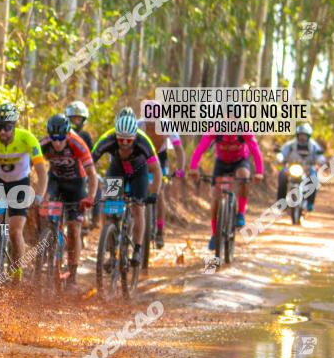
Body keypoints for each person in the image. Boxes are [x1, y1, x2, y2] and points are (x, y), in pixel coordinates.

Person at [0, 102, 48, 280]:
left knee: (15, 231)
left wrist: (39, 195)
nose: (2, 132)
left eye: (7, 127)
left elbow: (42, 172)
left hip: (20, 182)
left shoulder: (27, 139)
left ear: (14, 126)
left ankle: (16, 273)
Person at [92, 107, 163, 266]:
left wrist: (155, 194)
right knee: (108, 204)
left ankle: (137, 249)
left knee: (138, 207)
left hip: (139, 173)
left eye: (128, 140)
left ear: (135, 137)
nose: (124, 144)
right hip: (117, 171)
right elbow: (89, 161)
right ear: (116, 135)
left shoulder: (143, 141)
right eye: (120, 140)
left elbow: (157, 170)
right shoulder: (108, 138)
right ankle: (109, 242)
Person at [40, 114, 99, 287]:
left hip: (76, 185)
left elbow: (92, 174)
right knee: (42, 209)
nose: (57, 143)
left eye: (61, 138)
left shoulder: (77, 144)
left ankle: (72, 275)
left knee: (74, 229)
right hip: (55, 183)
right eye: (54, 138)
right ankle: (46, 251)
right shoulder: (44, 144)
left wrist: (90, 197)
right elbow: (31, 166)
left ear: (67, 134)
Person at [187, 126, 264, 250]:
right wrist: (193, 168)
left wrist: (259, 172)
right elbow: (201, 148)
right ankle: (214, 234)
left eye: (234, 117)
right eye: (228, 116)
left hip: (240, 161)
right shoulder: (215, 130)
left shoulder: (244, 130)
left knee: (244, 176)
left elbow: (255, 150)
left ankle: (240, 213)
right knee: (216, 197)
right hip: (222, 163)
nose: (231, 120)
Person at [137, 100, 186, 249]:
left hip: (160, 158)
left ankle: (159, 231)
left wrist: (180, 169)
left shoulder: (167, 125)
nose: (152, 126)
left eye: (154, 123)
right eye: (149, 123)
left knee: (159, 193)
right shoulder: (138, 124)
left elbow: (178, 149)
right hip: (142, 156)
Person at [276, 123, 326, 212]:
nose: (302, 137)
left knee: (314, 178)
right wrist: (280, 158)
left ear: (308, 136)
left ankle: (310, 203)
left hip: (307, 169)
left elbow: (320, 156)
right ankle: (281, 202)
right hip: (292, 168)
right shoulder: (290, 145)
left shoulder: (314, 146)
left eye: (304, 135)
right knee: (282, 176)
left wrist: (320, 161)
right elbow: (282, 153)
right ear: (297, 135)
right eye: (301, 135)